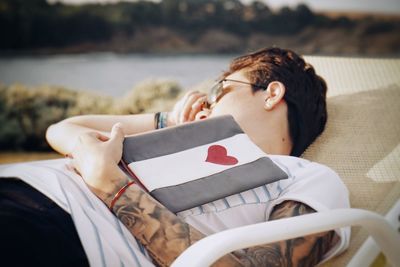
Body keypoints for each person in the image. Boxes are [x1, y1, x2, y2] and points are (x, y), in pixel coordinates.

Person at [0, 47, 350, 266]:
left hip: (63, 228)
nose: (207, 103)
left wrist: (111, 185)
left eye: (221, 90)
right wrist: (167, 120)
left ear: (271, 93)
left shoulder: (306, 178)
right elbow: (63, 128)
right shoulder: (176, 142)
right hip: (23, 189)